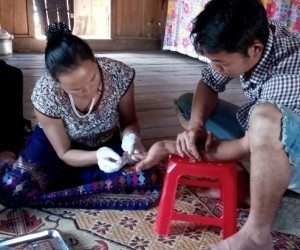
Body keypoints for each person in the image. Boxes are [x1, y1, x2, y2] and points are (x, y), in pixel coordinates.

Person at [134, 0, 300, 249]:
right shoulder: (256, 35)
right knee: (188, 106)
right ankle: (246, 182)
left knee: (265, 118)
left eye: (222, 63)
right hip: (264, 132)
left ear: (255, 49)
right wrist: (195, 128)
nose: (214, 68)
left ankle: (256, 235)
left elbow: (250, 145)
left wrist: (170, 147)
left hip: (292, 152)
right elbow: (209, 84)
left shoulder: (288, 73)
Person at [0, 22, 162, 209]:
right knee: (14, 189)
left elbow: (129, 121)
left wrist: (130, 138)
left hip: (103, 142)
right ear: (57, 83)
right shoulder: (45, 93)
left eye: (93, 79)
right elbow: (65, 153)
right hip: (54, 148)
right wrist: (97, 157)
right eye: (76, 89)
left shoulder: (118, 74)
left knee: (147, 178)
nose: (89, 90)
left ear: (95, 59)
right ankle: (77, 180)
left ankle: (60, 186)